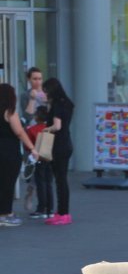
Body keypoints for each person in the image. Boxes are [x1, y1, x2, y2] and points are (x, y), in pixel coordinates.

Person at [0, 84, 38, 227]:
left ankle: (4, 212)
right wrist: (32, 148)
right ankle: (5, 214)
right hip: (9, 151)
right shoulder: (10, 112)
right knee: (8, 182)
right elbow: (19, 132)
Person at [42, 78, 74, 226]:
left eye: (46, 91)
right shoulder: (67, 103)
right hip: (66, 143)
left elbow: (57, 126)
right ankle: (61, 211)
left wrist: (44, 130)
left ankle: (63, 213)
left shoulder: (57, 104)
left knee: (60, 180)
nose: (45, 94)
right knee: (61, 180)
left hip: (58, 145)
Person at [25, 105, 54, 219]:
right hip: (49, 158)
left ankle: (41, 208)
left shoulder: (32, 130)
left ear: (37, 117)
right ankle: (50, 208)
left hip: (38, 159)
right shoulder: (50, 128)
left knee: (40, 183)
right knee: (48, 183)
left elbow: (28, 147)